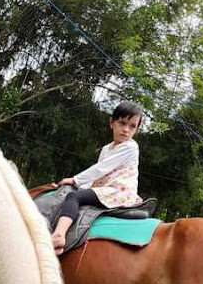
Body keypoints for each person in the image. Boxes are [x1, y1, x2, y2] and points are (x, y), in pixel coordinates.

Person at [51, 101, 143, 253]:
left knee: (74, 196)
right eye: (122, 123)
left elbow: (100, 169)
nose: (126, 130)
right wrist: (82, 185)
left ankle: (59, 235)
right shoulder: (107, 149)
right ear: (111, 122)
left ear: (136, 130)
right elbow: (100, 177)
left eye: (132, 126)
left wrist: (75, 180)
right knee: (75, 191)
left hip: (118, 193)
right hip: (106, 188)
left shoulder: (130, 147)